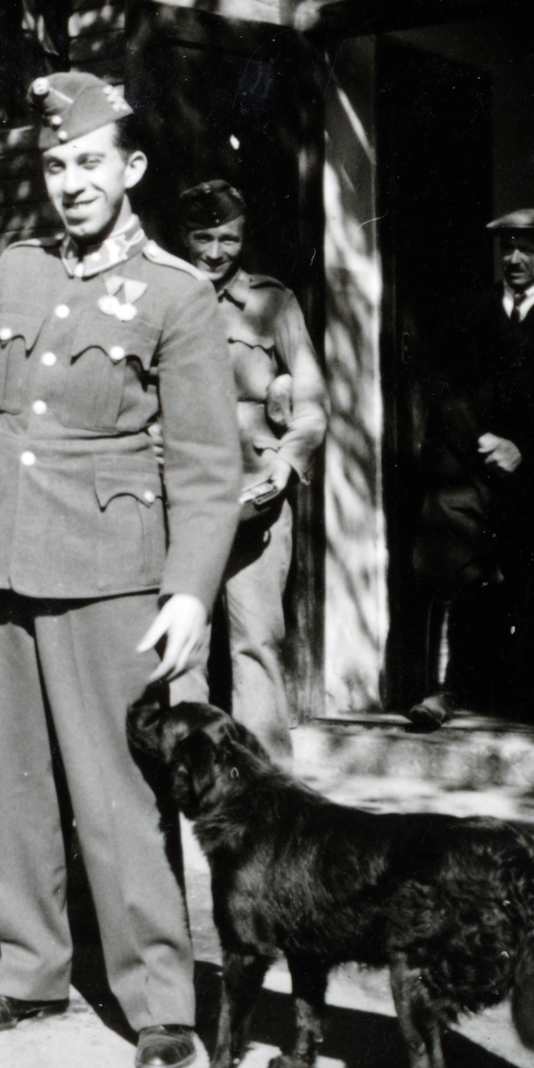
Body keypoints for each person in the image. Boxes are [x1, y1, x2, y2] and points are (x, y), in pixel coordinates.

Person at [0, 73, 241, 1068]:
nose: (69, 181)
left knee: (116, 789)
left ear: (130, 168)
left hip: (112, 571)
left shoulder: (177, 294)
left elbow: (205, 463)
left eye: (89, 163)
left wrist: (190, 590)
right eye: (56, 163)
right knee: (13, 785)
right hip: (1, 565)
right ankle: (28, 971)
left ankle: (157, 996)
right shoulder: (17, 273)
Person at [408, 209, 534, 729]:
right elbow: (443, 386)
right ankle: (445, 690)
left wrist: (526, 451)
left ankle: (533, 697)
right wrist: (483, 441)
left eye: (528, 249)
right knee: (452, 563)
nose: (514, 258)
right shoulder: (469, 313)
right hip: (469, 463)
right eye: (508, 247)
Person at [175, 181, 328, 759]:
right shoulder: (164, 298)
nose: (215, 252)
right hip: (180, 499)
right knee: (183, 646)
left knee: (257, 643)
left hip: (255, 498)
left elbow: (312, 401)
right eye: (203, 237)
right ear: (184, 237)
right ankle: (186, 778)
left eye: (228, 238)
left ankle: (268, 795)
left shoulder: (274, 303)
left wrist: (287, 467)